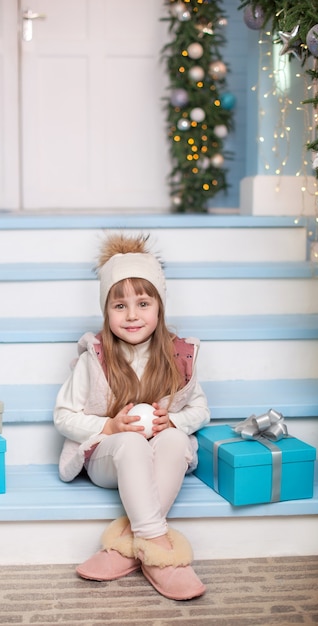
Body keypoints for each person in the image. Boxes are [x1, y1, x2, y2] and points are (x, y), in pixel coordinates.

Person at [53, 233, 210, 601]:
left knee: (174, 440)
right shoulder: (96, 357)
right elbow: (63, 414)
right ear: (106, 312)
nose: (133, 315)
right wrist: (107, 426)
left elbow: (201, 409)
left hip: (160, 461)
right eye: (119, 306)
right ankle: (161, 553)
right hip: (110, 460)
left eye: (143, 303)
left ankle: (126, 544)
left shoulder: (177, 355)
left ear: (159, 307)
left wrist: (173, 422)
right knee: (129, 442)